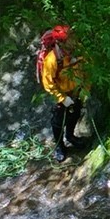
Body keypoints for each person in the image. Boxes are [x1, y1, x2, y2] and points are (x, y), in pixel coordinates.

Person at [37, 25, 88, 162]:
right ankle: (59, 146)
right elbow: (48, 83)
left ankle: (70, 136)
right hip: (60, 94)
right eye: (70, 39)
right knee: (58, 121)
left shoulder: (78, 51)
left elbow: (86, 68)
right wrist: (62, 98)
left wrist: (85, 89)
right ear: (62, 43)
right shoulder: (52, 60)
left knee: (75, 114)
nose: (74, 40)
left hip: (76, 91)